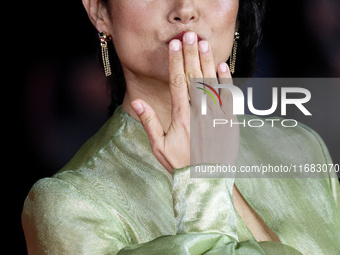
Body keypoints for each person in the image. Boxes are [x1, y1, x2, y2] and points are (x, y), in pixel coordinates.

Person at [22, 0, 340, 254]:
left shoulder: (300, 145)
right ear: (99, 10)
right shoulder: (68, 205)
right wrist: (201, 185)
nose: (184, 10)